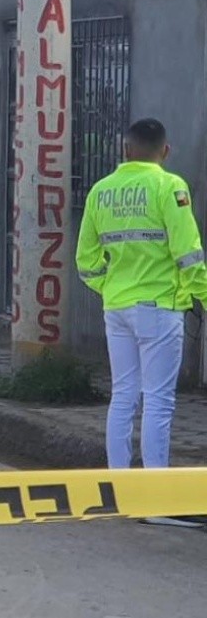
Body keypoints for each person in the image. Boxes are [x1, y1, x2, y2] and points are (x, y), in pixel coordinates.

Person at [77, 120, 207, 506]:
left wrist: (113, 288)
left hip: (116, 308)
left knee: (123, 396)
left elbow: (85, 261)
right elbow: (190, 255)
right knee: (158, 401)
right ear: (165, 151)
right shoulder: (170, 187)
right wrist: (198, 295)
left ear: (124, 150)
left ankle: (118, 490)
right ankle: (155, 498)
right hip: (159, 309)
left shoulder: (100, 192)